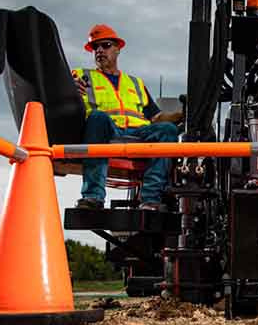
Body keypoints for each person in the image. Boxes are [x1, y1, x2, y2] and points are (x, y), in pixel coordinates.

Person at [72, 24, 183, 211]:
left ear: (118, 49)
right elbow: (62, 94)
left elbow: (156, 117)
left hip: (139, 133)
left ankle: (150, 200)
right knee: (98, 118)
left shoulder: (136, 83)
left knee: (168, 130)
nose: (99, 50)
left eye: (105, 45)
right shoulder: (83, 77)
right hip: (107, 130)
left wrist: (183, 115)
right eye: (95, 47)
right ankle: (93, 197)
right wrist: (70, 89)